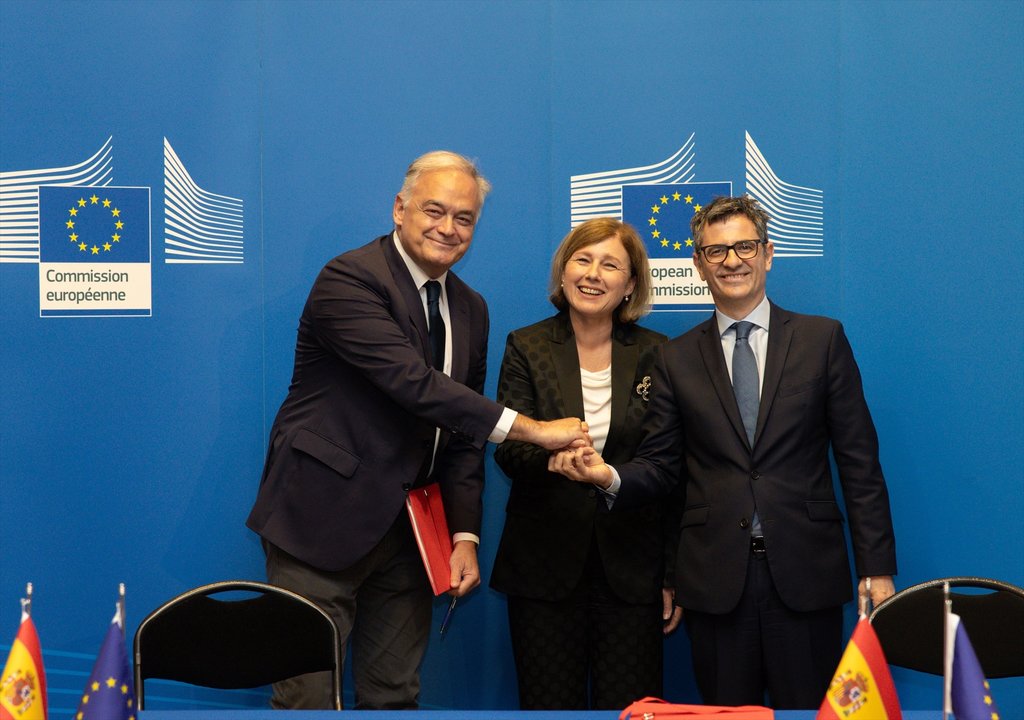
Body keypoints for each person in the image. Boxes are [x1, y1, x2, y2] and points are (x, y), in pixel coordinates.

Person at [246, 151, 588, 710]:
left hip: (411, 538)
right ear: (399, 209)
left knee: (395, 698)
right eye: (435, 210)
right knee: (307, 699)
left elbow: (462, 434)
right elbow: (412, 383)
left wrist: (464, 536)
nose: (448, 228)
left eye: (465, 218)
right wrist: (532, 430)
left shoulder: (471, 309)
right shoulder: (349, 278)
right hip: (319, 520)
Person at [550, 195, 897, 709]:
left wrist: (877, 567)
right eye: (716, 252)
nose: (731, 261)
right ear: (697, 264)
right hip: (715, 582)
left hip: (806, 575)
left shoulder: (822, 340)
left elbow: (859, 462)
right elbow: (662, 468)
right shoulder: (673, 358)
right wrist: (607, 476)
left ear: (768, 253)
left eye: (744, 247)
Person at [490, 218, 683, 710]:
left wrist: (670, 575)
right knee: (548, 705)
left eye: (610, 264)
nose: (593, 274)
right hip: (543, 568)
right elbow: (509, 446)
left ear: (630, 284)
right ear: (564, 270)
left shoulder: (658, 353)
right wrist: (551, 461)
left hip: (632, 570)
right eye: (583, 259)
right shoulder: (526, 345)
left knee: (632, 709)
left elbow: (669, 469)